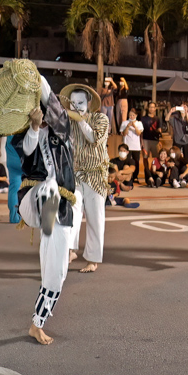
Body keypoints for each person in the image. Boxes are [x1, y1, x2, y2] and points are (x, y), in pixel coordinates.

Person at [12, 76, 75, 345]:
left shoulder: (63, 131)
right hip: (32, 199)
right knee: (50, 186)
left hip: (60, 206)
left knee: (57, 271)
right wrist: (34, 128)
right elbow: (26, 152)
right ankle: (50, 238)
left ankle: (38, 322)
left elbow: (51, 97)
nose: (46, 112)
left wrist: (35, 76)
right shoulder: (25, 132)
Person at [61, 83, 109, 274]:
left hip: (96, 175)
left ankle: (93, 259)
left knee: (95, 217)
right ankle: (71, 249)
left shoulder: (100, 118)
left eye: (80, 102)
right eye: (73, 103)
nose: (77, 106)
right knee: (72, 212)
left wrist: (80, 120)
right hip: (76, 174)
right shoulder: (68, 122)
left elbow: (93, 138)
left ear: (89, 102)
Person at [141, 102, 162, 188]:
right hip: (146, 139)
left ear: (155, 108)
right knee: (145, 159)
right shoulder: (143, 118)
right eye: (150, 107)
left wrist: (159, 133)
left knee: (156, 159)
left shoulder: (158, 118)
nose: (152, 109)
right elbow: (141, 131)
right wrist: (141, 142)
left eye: (153, 107)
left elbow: (159, 129)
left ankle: (155, 177)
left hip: (155, 140)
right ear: (148, 108)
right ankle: (148, 178)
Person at [119, 108, 143, 184]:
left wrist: (134, 126)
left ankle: (135, 176)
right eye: (130, 115)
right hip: (127, 145)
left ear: (136, 115)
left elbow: (139, 133)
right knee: (127, 161)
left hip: (136, 146)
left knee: (136, 161)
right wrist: (128, 126)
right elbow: (124, 134)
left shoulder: (139, 123)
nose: (131, 116)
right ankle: (127, 176)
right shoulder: (124, 122)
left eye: (133, 115)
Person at [6, 136, 23, 224]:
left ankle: (14, 217)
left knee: (14, 187)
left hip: (12, 156)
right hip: (25, 156)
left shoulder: (10, 125)